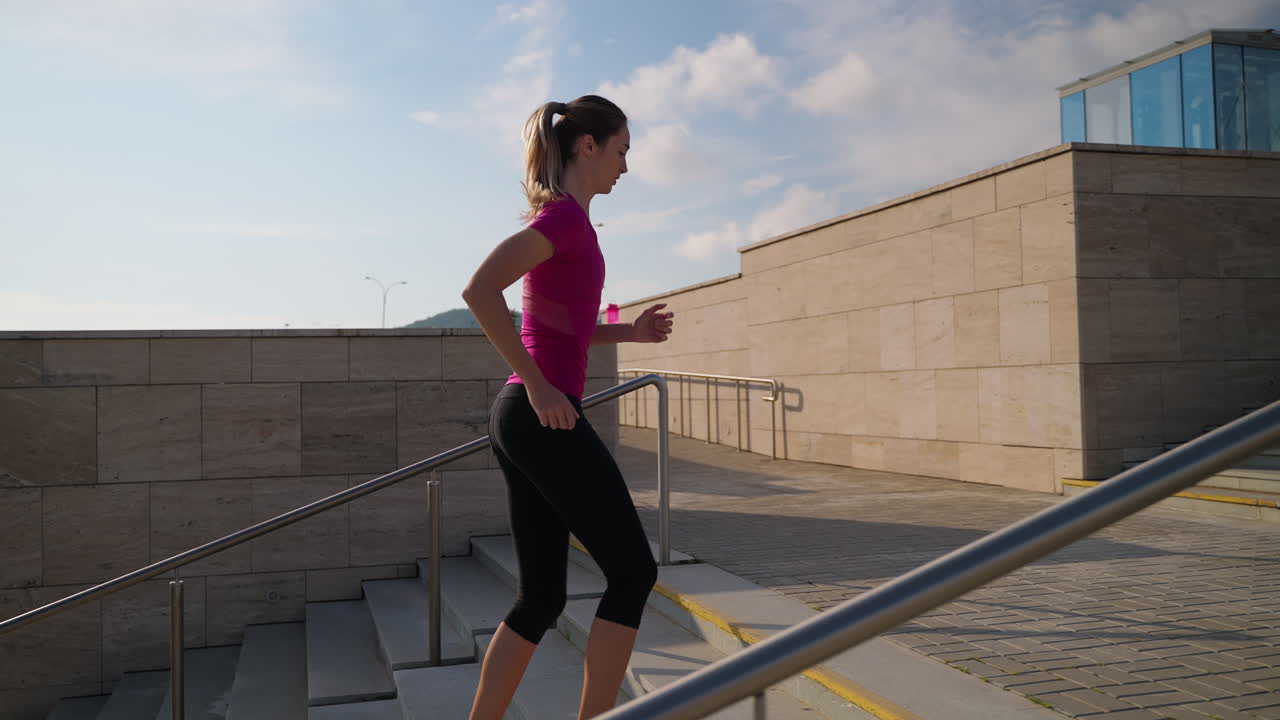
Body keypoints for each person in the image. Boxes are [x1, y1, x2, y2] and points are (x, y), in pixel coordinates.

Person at [461, 94, 675, 719]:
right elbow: (479, 291)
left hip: (525, 419)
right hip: (539, 415)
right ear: (589, 146)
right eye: (621, 152)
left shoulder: (572, 224)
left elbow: (558, 324)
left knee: (541, 598)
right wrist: (537, 384)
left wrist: (627, 334)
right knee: (634, 572)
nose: (626, 168)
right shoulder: (562, 222)